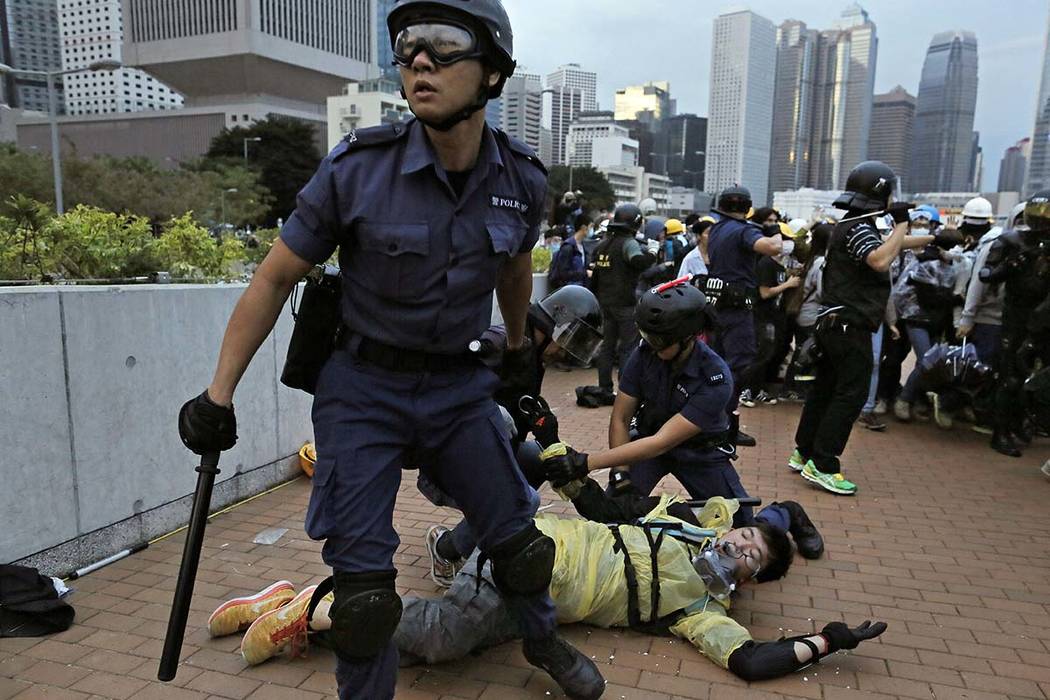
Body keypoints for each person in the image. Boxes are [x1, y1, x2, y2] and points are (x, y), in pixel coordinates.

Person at [175, 1, 604, 697]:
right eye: (408, 47)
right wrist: (216, 394)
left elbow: (516, 266)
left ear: (492, 72)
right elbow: (275, 276)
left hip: (459, 389)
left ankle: (543, 642)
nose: (420, 63)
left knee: (523, 547)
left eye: (443, 46)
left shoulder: (522, 180)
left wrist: (521, 346)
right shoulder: (358, 168)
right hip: (362, 390)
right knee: (366, 598)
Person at [212, 490, 886, 683]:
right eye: (745, 537)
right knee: (447, 637)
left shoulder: (699, 609)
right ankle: (319, 608)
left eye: (753, 558)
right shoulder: (675, 524)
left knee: (429, 653)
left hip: (536, 610)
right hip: (532, 552)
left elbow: (749, 662)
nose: (741, 547)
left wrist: (827, 641)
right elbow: (609, 496)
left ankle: (295, 606)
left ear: (749, 580)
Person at [539, 279, 825, 560]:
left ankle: (788, 512)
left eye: (658, 339)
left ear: (688, 336)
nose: (649, 344)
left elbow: (663, 442)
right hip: (648, 444)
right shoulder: (644, 354)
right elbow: (621, 418)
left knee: (742, 530)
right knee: (611, 513)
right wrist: (620, 472)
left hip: (700, 454)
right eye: (646, 335)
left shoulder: (715, 378)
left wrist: (585, 462)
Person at [788, 161, 954, 495]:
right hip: (850, 324)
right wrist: (903, 223)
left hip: (834, 323)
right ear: (881, 192)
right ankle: (823, 464)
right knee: (851, 393)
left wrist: (933, 238)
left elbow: (887, 246)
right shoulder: (860, 229)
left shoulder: (850, 224)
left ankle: (804, 451)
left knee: (827, 388)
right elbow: (880, 258)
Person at [423, 285, 604, 586]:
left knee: (542, 462)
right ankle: (449, 553)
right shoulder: (505, 340)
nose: (566, 350)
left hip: (494, 449)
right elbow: (449, 383)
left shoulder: (534, 349)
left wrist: (542, 428)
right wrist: (491, 412)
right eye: (570, 338)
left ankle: (469, 534)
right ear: (554, 323)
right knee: (524, 501)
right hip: (454, 454)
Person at [705, 187, 785, 447]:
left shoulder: (717, 228)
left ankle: (713, 418)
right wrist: (774, 231)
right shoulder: (744, 230)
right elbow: (771, 247)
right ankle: (723, 423)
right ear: (748, 208)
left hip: (719, 305)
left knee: (718, 362)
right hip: (738, 308)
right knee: (739, 363)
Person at [979, 191, 1050, 457]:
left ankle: (1022, 422)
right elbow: (987, 275)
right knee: (1010, 376)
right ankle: (1001, 431)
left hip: (1044, 319)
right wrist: (1010, 266)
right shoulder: (1011, 240)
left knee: (1038, 377)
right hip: (1017, 317)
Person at [591, 203, 657, 404]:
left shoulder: (603, 244)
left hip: (605, 303)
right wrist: (653, 253)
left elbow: (595, 277)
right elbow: (638, 262)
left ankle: (604, 388)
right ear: (635, 223)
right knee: (628, 348)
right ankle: (626, 391)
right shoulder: (629, 243)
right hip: (625, 304)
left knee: (607, 347)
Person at [741, 218, 802, 407]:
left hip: (774, 316)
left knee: (769, 354)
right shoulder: (766, 264)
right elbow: (765, 292)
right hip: (763, 316)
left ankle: (758, 390)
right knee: (760, 354)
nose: (789, 243)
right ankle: (746, 391)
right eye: (785, 239)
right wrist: (788, 285)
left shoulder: (779, 265)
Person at [549, 214, 592, 290]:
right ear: (583, 227)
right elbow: (563, 273)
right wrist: (585, 273)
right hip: (569, 290)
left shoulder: (582, 246)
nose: (591, 230)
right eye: (591, 226)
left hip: (580, 288)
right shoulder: (568, 247)